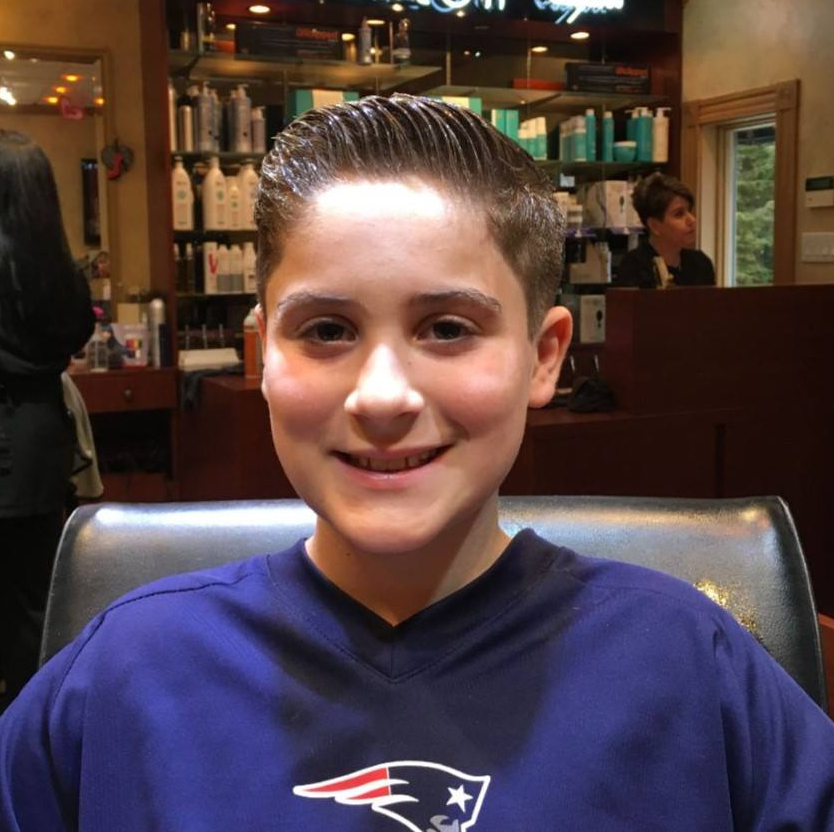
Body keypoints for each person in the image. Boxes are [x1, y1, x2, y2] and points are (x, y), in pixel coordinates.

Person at [1, 96, 833, 831]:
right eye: (326, 330)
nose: (383, 396)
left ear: (544, 357)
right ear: (264, 353)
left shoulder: (691, 665)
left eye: (446, 328)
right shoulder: (122, 673)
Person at [0, 130, 95, 711]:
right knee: (34, 603)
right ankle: (34, 733)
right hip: (38, 445)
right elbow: (75, 334)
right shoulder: (57, 272)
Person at [614, 171, 716, 288]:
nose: (692, 220)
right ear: (654, 226)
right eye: (679, 214)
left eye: (689, 211)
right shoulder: (634, 267)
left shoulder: (701, 263)